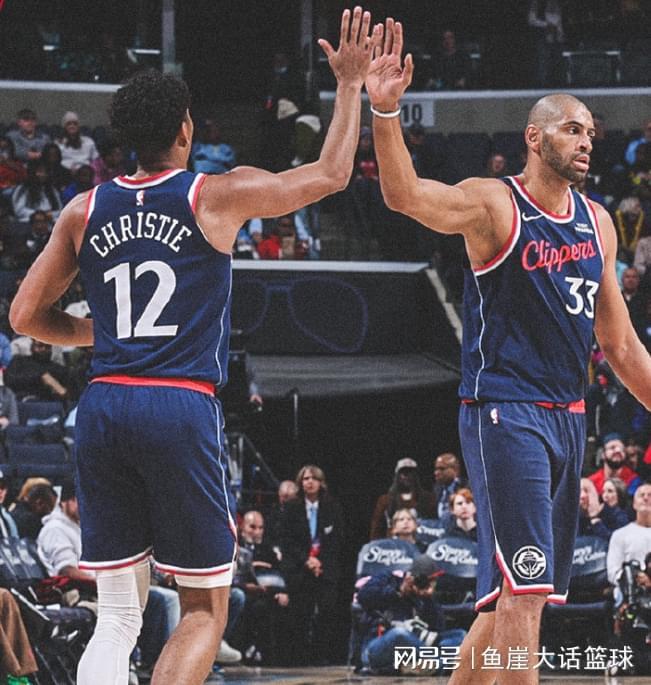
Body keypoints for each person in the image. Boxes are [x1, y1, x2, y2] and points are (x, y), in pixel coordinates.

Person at [9, 9, 380, 684]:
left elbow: (25, 316)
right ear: (185, 130)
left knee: (116, 615)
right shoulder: (215, 194)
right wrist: (350, 85)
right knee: (205, 608)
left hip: (103, 405)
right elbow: (330, 173)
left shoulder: (82, 210)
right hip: (177, 403)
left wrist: (97, 332)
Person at [365, 18, 651, 684]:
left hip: (568, 416)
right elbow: (404, 195)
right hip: (505, 411)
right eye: (571, 129)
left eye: (590, 132)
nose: (585, 140)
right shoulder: (496, 204)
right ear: (534, 137)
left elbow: (619, 344)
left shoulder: (597, 222)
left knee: (509, 600)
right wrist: (384, 111)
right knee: (524, 592)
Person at [357, 554, 465, 675]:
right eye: (424, 581)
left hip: (415, 647)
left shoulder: (426, 597)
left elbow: (438, 629)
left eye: (431, 581)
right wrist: (399, 592)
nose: (425, 584)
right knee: (399, 634)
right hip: (379, 647)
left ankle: (415, 666)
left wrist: (428, 600)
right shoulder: (388, 579)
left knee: (460, 635)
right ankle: (438, 664)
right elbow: (363, 597)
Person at [280, 464, 344, 665]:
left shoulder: (332, 507)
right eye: (306, 479)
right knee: (301, 613)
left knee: (326, 610)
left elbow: (337, 539)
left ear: (321, 482)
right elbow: (287, 541)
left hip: (324, 567)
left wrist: (319, 561)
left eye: (314, 478)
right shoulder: (292, 508)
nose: (310, 482)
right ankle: (300, 657)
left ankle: (321, 655)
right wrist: (306, 560)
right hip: (299, 567)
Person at [369, 457, 436, 540]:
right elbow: (377, 529)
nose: (407, 477)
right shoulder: (385, 501)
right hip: (392, 545)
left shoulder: (428, 499)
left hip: (421, 543)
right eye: (404, 473)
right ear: (397, 476)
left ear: (416, 476)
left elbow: (435, 526)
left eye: (411, 473)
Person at [432, 452, 467, 521]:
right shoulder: (436, 489)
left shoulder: (466, 487)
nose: (436, 473)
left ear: (455, 470)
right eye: (436, 469)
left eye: (442, 469)